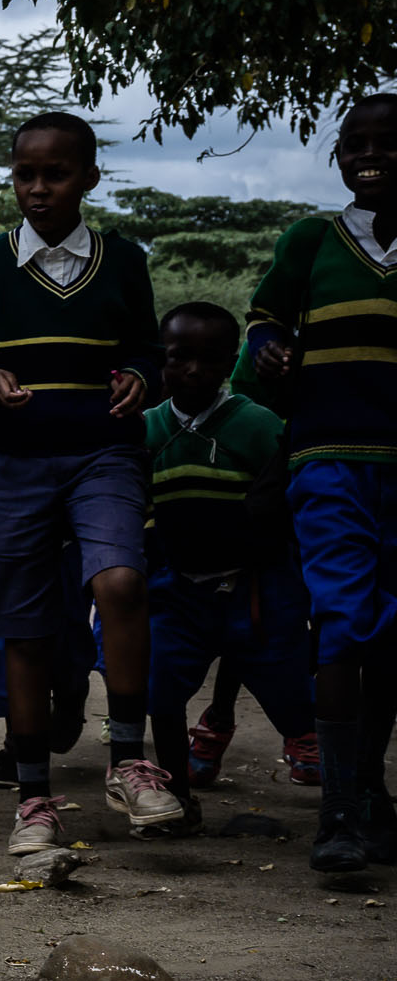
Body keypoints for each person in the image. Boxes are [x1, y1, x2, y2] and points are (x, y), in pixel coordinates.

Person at [0, 112, 172, 854]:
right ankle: (35, 798)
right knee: (26, 627)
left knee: (121, 584)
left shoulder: (124, 260)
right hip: (10, 464)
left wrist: (141, 376)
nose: (38, 189)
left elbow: (149, 352)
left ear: (89, 179)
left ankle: (129, 759)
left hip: (102, 452)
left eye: (56, 174)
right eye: (25, 175)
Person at [245, 92, 397, 872]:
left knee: (389, 638)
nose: (369, 153)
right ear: (336, 155)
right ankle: (337, 814)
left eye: (387, 141)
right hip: (328, 462)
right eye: (353, 142)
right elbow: (262, 328)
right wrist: (269, 351)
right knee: (341, 628)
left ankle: (372, 795)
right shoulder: (311, 242)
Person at [140, 302, 310, 828]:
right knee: (160, 690)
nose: (194, 371)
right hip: (177, 591)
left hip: (255, 593)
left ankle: (350, 797)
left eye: (211, 360)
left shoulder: (259, 428)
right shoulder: (145, 431)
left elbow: (288, 510)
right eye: (179, 358)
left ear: (231, 361)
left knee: (297, 702)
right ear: (159, 360)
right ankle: (177, 795)